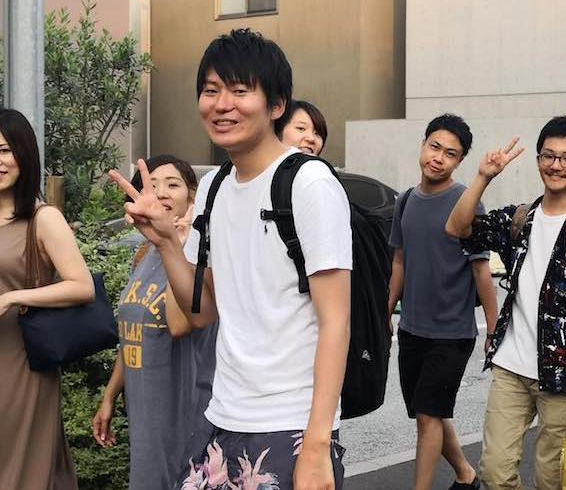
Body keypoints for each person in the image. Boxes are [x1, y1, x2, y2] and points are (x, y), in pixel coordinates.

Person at [110, 29, 351, 489]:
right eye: (211, 90)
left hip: (290, 423)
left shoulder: (309, 184)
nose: (222, 105)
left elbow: (336, 320)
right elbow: (201, 311)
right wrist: (166, 241)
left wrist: (317, 443)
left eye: (240, 91)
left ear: (276, 105)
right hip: (221, 416)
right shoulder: (215, 187)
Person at [446, 116, 566, 490]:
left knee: (552, 479)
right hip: (510, 365)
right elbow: (457, 228)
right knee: (495, 472)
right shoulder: (519, 219)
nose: (556, 165)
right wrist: (483, 177)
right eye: (548, 155)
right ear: (538, 159)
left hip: (562, 375)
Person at [92, 155, 218, 489]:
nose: (161, 192)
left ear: (192, 198)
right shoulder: (143, 255)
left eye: (172, 185)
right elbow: (132, 333)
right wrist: (110, 395)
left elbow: (179, 325)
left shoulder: (200, 255)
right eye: (152, 185)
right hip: (144, 408)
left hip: (185, 411)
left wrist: (176, 244)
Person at [387, 113, 498, 490]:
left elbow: (481, 270)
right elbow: (399, 261)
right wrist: (386, 312)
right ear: (423, 145)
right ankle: (466, 475)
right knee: (428, 412)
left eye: (450, 153)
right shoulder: (405, 201)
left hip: (451, 333)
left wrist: (494, 329)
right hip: (412, 329)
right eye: (434, 147)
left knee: (428, 416)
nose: (438, 158)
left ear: (460, 160)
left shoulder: (468, 202)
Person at [0, 108, 95, 489]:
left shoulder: (43, 218)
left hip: (20, 362)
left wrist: (12, 297)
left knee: (20, 466)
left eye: (5, 151)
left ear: (24, 154)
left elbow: (82, 285)